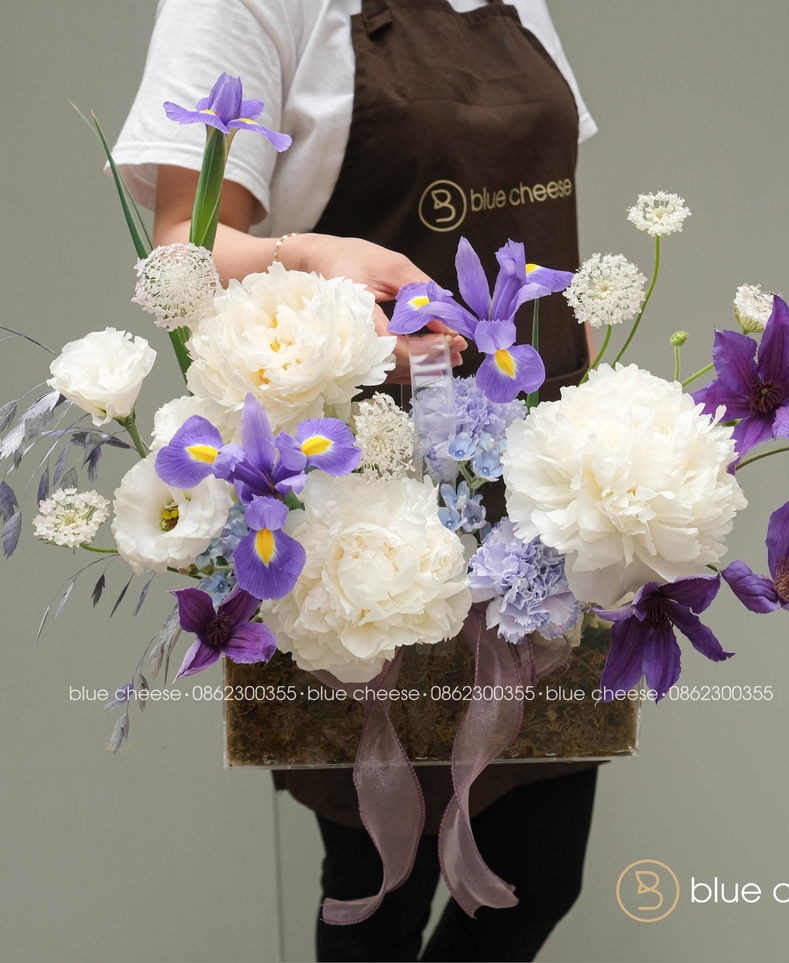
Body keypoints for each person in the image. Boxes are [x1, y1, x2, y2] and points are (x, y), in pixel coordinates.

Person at [114, 1, 600, 959]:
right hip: (366, 505)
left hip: (537, 498)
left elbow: (543, 204)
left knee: (539, 868)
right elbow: (184, 251)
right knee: (380, 882)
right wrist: (309, 259)